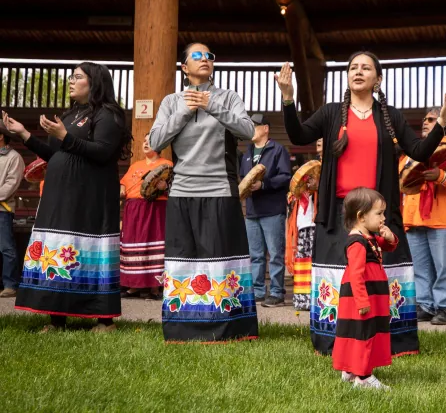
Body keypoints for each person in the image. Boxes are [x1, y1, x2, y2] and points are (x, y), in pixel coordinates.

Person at [277, 51, 446, 357]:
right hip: (338, 212)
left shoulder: (390, 116)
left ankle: (387, 339)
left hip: (378, 213)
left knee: (381, 272)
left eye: (366, 68)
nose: (358, 71)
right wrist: (288, 98)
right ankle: (334, 340)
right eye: (353, 67)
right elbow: (298, 134)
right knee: (337, 273)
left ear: (378, 79)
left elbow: (419, 149)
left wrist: (443, 119)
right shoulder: (332, 113)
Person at [3, 62, 132, 332]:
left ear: (94, 82)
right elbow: (56, 154)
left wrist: (64, 135)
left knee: (90, 252)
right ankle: (56, 318)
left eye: (77, 77)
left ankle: (104, 320)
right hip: (60, 196)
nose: (71, 81)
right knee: (59, 250)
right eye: (71, 77)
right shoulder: (72, 114)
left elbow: (102, 152)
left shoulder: (108, 114)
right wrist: (24, 134)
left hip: (90, 198)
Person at [149, 42, 258, 342]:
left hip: (220, 189)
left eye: (209, 55)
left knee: (219, 258)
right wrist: (186, 109)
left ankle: (227, 326)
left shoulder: (228, 97)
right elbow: (156, 140)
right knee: (183, 257)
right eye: (196, 56)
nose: (205, 59)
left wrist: (212, 105)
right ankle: (184, 327)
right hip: (182, 190)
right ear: (184, 67)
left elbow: (248, 131)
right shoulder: (171, 101)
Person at [402, 108, 446, 326]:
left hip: (442, 216)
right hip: (414, 216)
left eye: (431, 119)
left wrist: (440, 175)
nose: (424, 123)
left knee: (443, 267)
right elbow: (403, 178)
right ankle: (425, 304)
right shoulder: (415, 148)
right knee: (420, 267)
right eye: (424, 120)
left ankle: (443, 307)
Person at [333, 187, 397, 390]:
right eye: (379, 213)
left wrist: (389, 238)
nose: (383, 218)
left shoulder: (368, 237)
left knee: (363, 332)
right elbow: (356, 274)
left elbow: (386, 246)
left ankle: (351, 370)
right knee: (363, 334)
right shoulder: (357, 243)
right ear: (361, 216)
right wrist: (362, 301)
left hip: (371, 296)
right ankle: (363, 377)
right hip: (362, 298)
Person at [239, 113, 292, 307]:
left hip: (272, 210)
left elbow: (286, 177)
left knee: (275, 253)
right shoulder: (247, 152)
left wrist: (263, 185)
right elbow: (243, 179)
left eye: (255, 125)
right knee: (256, 254)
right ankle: (258, 291)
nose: (251, 129)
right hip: (252, 211)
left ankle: (277, 292)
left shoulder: (278, 150)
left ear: (265, 128)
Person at [119, 134, 172, 300]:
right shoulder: (135, 165)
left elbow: (175, 188)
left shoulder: (167, 165)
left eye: (150, 140)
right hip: (133, 210)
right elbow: (124, 182)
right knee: (134, 246)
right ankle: (134, 285)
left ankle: (154, 287)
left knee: (152, 245)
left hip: (155, 209)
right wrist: (121, 189)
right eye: (144, 140)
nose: (146, 143)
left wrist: (165, 186)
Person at [285, 138, 323, 311]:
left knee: (315, 262)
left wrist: (317, 187)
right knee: (302, 262)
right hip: (302, 228)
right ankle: (302, 300)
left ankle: (317, 298)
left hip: (316, 227)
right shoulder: (301, 192)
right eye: (318, 145)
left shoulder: (322, 181)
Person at [0, 131, 24, 298]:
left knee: (6, 247)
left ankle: (10, 284)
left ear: (1, 136)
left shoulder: (14, 157)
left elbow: (11, 184)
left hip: (2, 209)